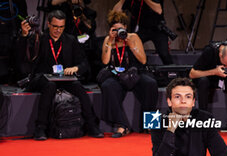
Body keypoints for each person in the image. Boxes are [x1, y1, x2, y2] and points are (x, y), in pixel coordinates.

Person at [18, 10, 103, 140]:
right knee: (50, 85)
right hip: (42, 78)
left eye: (61, 27)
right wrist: (24, 36)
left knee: (78, 86)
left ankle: (92, 126)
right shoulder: (39, 38)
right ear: (48, 24)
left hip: (63, 78)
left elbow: (84, 63)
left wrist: (75, 68)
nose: (58, 30)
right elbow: (23, 57)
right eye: (55, 27)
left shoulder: (70, 40)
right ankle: (40, 128)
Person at [98, 11, 158, 138]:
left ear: (125, 27)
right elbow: (105, 61)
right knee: (107, 86)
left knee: (150, 84)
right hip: (116, 75)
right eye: (115, 29)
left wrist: (131, 46)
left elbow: (143, 60)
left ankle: (150, 124)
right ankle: (122, 125)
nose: (119, 32)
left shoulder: (133, 37)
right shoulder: (108, 40)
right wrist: (110, 41)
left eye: (121, 28)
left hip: (134, 73)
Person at [189, 41, 227, 135]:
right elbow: (192, 74)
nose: (226, 66)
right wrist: (214, 72)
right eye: (224, 64)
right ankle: (204, 119)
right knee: (203, 81)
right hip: (211, 77)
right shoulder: (210, 52)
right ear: (220, 55)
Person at [49, 0, 98, 82]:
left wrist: (81, 15)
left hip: (85, 44)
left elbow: (91, 28)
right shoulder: (64, 10)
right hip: (67, 42)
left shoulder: (88, 12)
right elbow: (52, 3)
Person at [113, 0, 173, 65]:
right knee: (132, 51)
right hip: (140, 29)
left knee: (164, 53)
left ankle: (170, 72)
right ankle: (137, 71)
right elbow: (115, 11)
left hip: (157, 28)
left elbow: (159, 10)